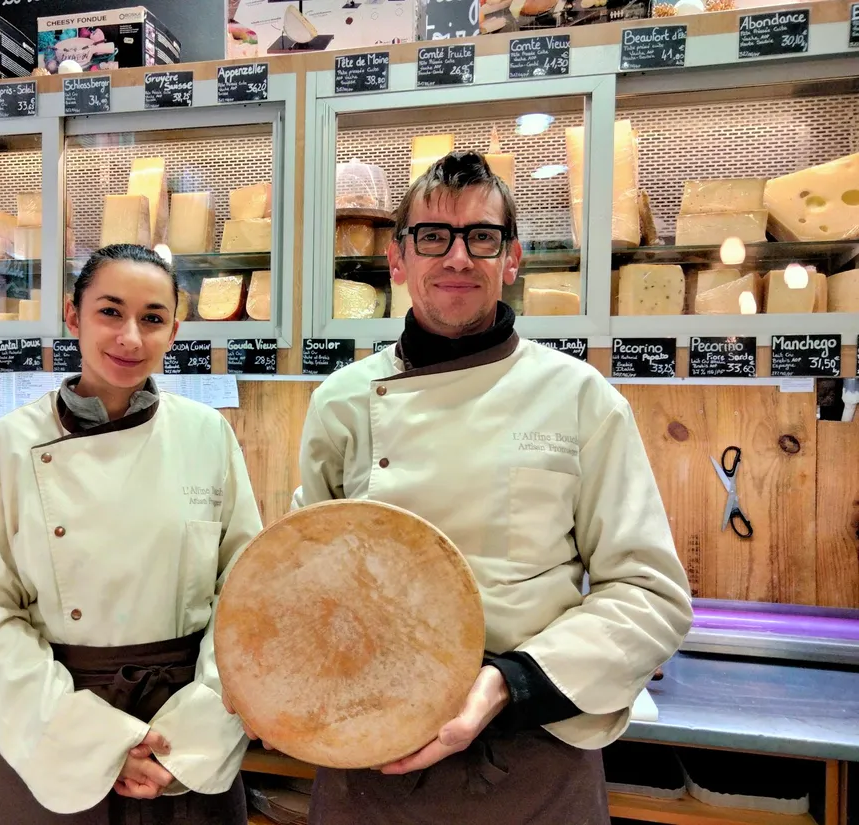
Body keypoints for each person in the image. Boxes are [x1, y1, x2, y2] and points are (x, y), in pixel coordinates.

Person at [237, 152, 694, 824]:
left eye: (482, 236)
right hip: (367, 761)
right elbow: (307, 575)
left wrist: (507, 685)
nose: (458, 257)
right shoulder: (342, 401)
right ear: (398, 260)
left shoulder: (580, 399)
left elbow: (650, 594)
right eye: (433, 236)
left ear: (510, 260)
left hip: (530, 760)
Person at [0, 244, 261, 824]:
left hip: (183, 735)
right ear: (73, 317)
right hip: (54, 731)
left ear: (174, 329)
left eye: (153, 318)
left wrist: (195, 734)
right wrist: (90, 744)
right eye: (110, 312)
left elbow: (248, 597)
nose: (131, 338)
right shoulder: (11, 445)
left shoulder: (207, 436)